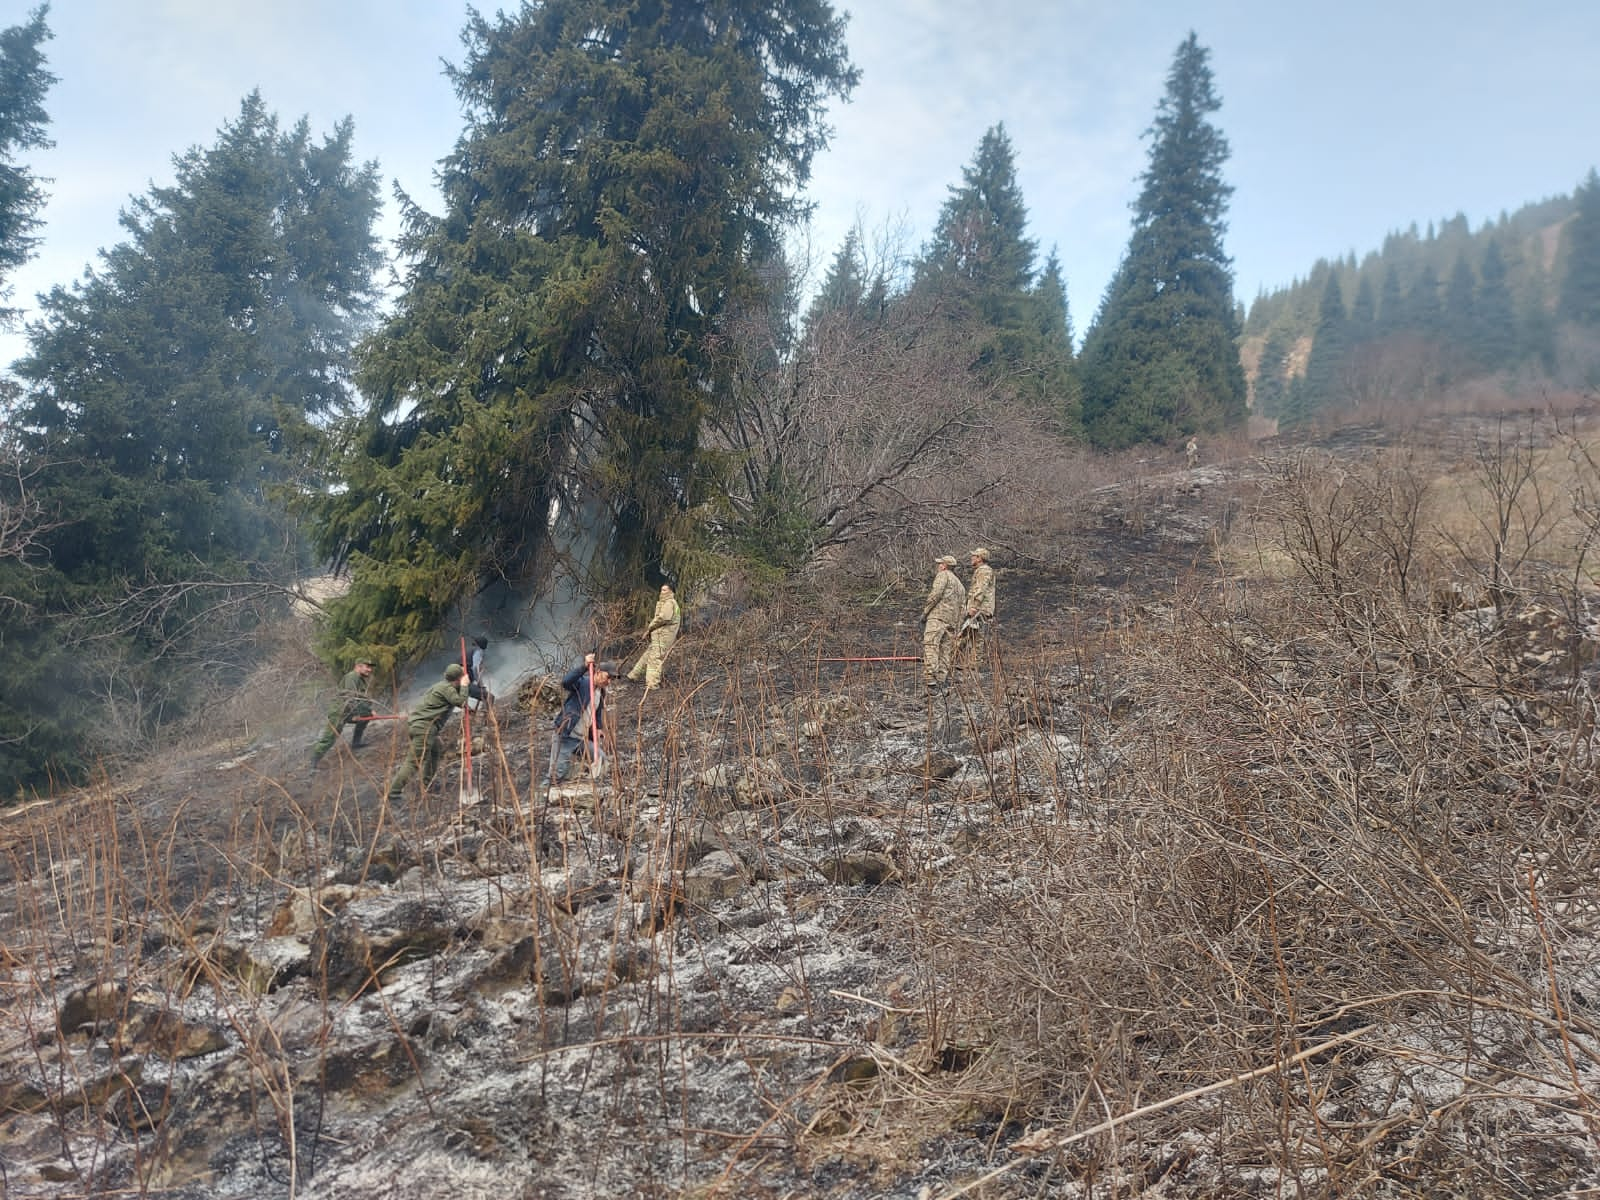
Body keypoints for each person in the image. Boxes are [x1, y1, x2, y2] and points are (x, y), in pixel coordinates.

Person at [385, 663, 469, 802]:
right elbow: (459, 701)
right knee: (414, 762)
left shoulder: (442, 686)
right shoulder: (447, 689)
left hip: (423, 726)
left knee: (435, 752)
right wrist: (465, 685)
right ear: (458, 679)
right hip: (424, 727)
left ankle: (427, 786)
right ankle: (394, 794)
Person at [549, 654, 617, 785]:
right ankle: (545, 798)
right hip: (566, 735)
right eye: (608, 677)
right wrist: (584, 667)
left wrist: (597, 729)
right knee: (556, 775)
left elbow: (597, 711)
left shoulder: (601, 692)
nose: (609, 681)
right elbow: (566, 682)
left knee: (601, 759)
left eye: (612, 679)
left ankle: (590, 790)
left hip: (582, 739)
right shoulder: (583, 683)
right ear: (598, 672)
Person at [310, 660, 374, 767]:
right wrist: (365, 711)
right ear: (358, 666)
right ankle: (313, 762)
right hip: (339, 711)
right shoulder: (352, 677)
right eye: (367, 667)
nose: (370, 670)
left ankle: (356, 743)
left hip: (348, 710)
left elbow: (360, 699)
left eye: (370, 667)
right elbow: (352, 697)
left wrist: (365, 711)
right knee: (330, 737)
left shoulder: (360, 679)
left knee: (366, 716)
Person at [921, 554, 966, 692]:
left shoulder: (942, 575)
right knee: (945, 650)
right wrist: (957, 624)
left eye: (940, 563)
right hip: (952, 622)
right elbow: (963, 607)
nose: (938, 566)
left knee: (931, 645)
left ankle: (930, 679)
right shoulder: (960, 585)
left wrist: (925, 612)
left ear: (945, 566)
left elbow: (935, 595)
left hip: (938, 617)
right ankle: (941, 678)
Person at [627, 584, 681, 690]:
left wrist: (650, 626)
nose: (662, 592)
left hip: (663, 636)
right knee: (648, 655)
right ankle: (633, 675)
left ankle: (652, 684)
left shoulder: (669, 603)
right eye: (661, 590)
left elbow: (663, 618)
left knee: (654, 659)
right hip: (660, 635)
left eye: (665, 590)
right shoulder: (666, 603)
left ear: (671, 592)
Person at [962, 548, 996, 659]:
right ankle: (970, 663)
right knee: (972, 636)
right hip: (979, 609)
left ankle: (974, 664)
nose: (971, 558)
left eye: (974, 556)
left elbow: (980, 589)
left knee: (976, 637)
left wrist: (974, 606)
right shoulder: (981, 570)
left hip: (980, 610)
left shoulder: (984, 570)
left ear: (980, 558)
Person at [466, 635, 492, 708]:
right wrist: (480, 684)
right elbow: (475, 668)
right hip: (463, 683)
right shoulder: (478, 651)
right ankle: (487, 717)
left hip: (458, 683)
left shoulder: (467, 651)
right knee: (489, 698)